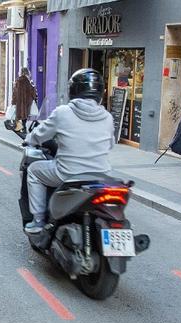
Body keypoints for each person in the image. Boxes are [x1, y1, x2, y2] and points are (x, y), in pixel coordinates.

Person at [23, 68, 114, 234]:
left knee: (33, 171)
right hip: (101, 176)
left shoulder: (63, 112)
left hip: (68, 174)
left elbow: (39, 134)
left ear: (73, 90)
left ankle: (38, 221)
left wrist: (29, 139)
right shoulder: (108, 117)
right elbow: (110, 145)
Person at [11, 67, 38, 133]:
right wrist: (34, 97)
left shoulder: (18, 81)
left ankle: (19, 127)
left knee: (19, 113)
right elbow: (32, 91)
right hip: (27, 101)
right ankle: (23, 126)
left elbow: (15, 92)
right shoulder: (28, 81)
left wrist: (13, 101)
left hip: (19, 101)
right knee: (25, 114)